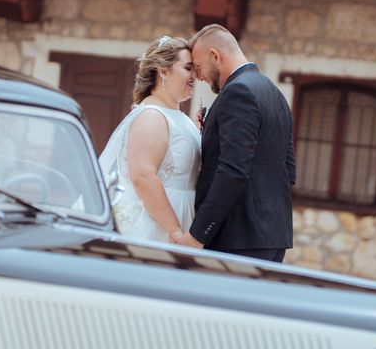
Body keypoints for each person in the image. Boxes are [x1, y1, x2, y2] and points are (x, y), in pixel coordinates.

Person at [177, 24, 296, 262]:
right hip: (272, 238)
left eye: (198, 67)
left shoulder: (237, 92)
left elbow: (233, 170)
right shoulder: (274, 93)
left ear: (215, 56)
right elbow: (289, 171)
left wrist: (198, 235)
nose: (198, 76)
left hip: (236, 239)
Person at [99, 36, 201, 243]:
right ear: (163, 71)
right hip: (157, 222)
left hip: (182, 213)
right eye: (188, 68)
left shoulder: (178, 117)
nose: (195, 75)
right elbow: (143, 177)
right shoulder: (152, 116)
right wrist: (174, 229)